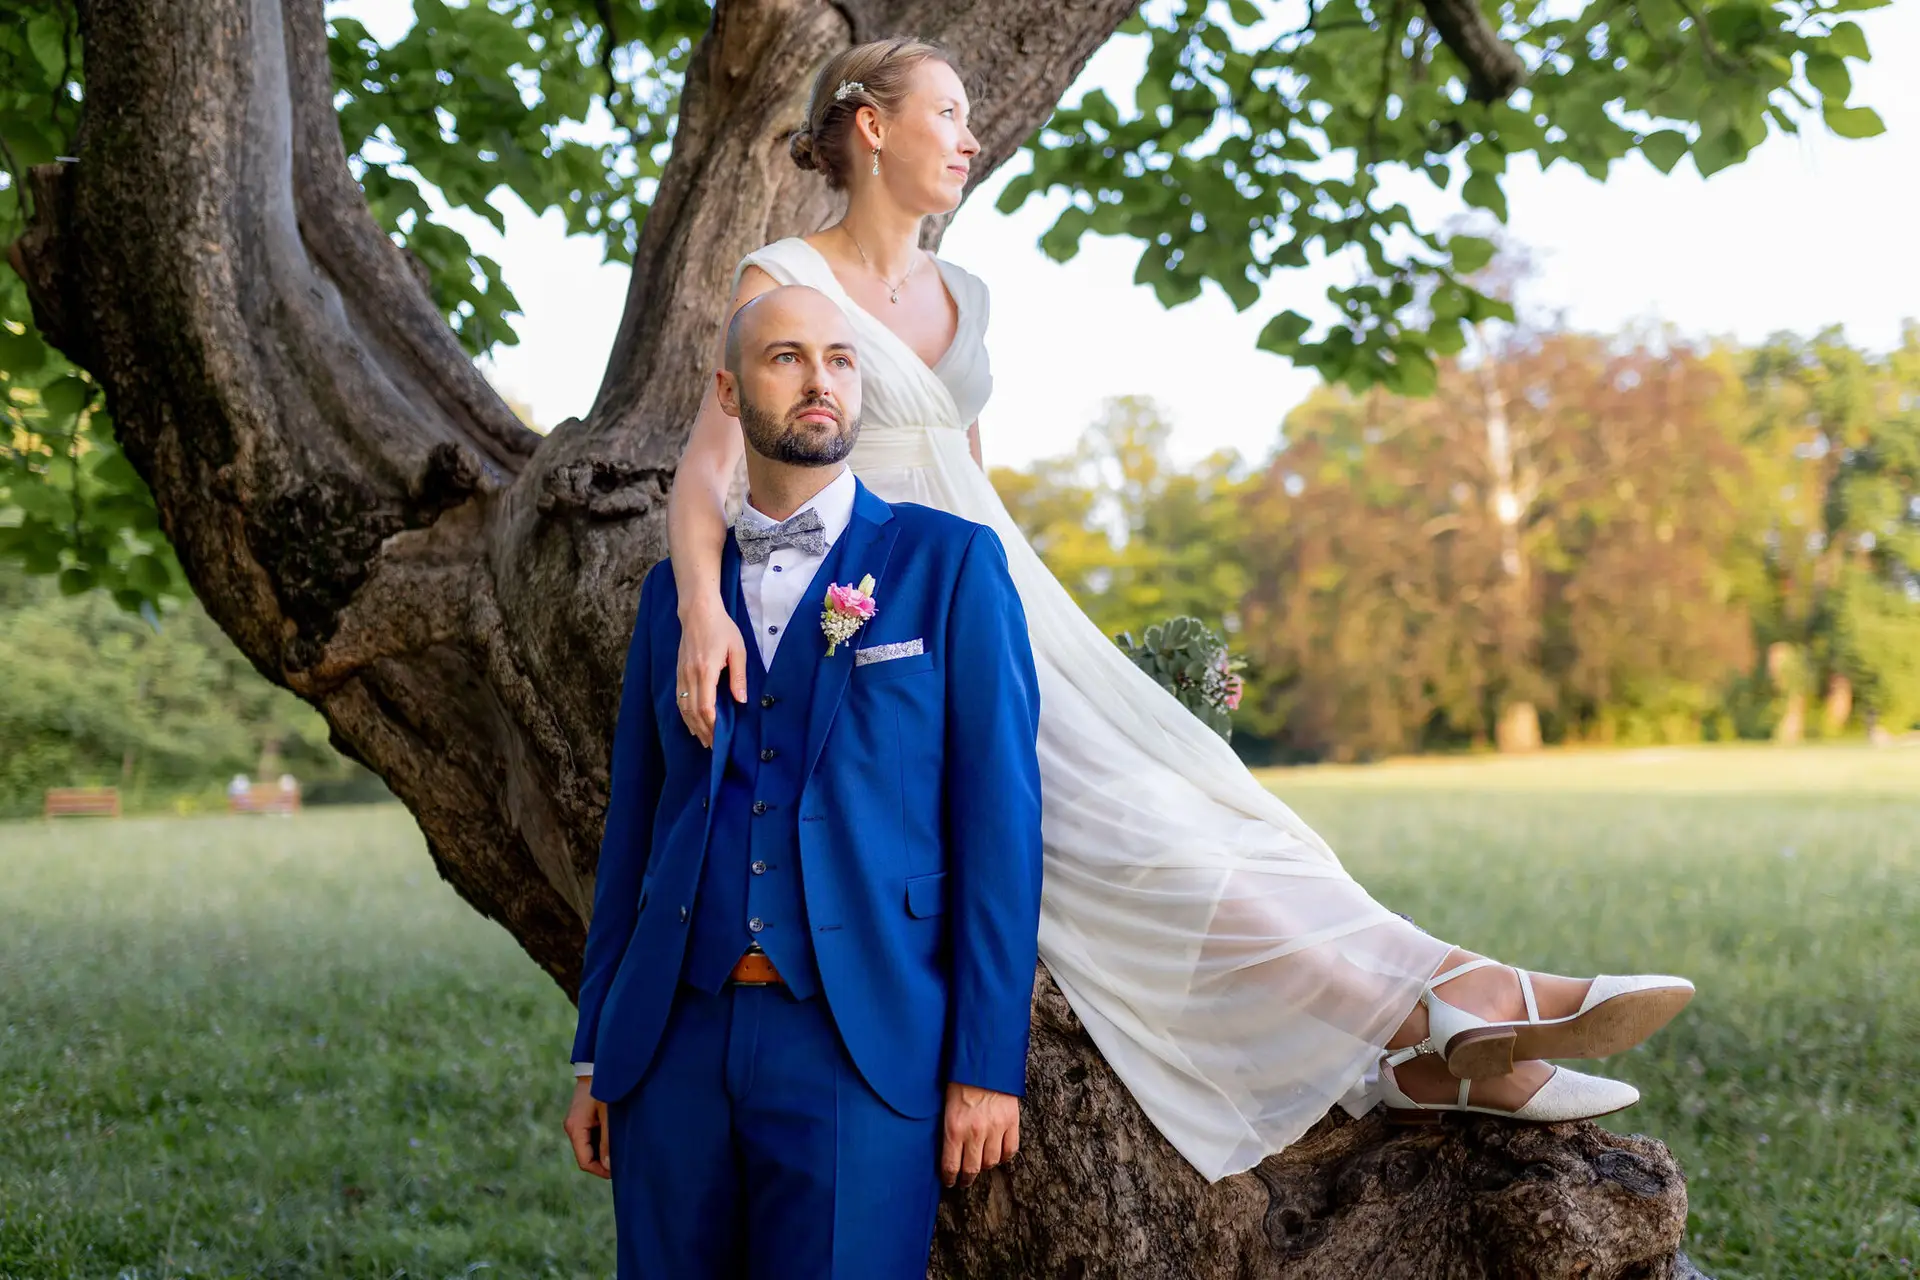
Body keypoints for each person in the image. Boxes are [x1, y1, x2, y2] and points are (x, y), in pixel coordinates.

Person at [658, 37, 1699, 1182]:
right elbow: (708, 474)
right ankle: (1443, 1017)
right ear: (867, 124)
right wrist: (705, 610)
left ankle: (1446, 1015)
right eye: (947, 113)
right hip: (872, 624)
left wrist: (1054, 634)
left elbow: (969, 479)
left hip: (991, 599)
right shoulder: (783, 277)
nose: (969, 136)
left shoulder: (966, 295)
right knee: (1137, 833)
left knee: (1205, 800)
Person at [563, 284, 1045, 1278]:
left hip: (858, 1039)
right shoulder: (674, 596)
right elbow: (635, 825)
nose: (819, 377)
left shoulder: (949, 565)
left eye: (839, 357)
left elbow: (1001, 825)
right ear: (731, 393)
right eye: (787, 357)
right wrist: (595, 1047)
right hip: (670, 1043)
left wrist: (987, 1062)